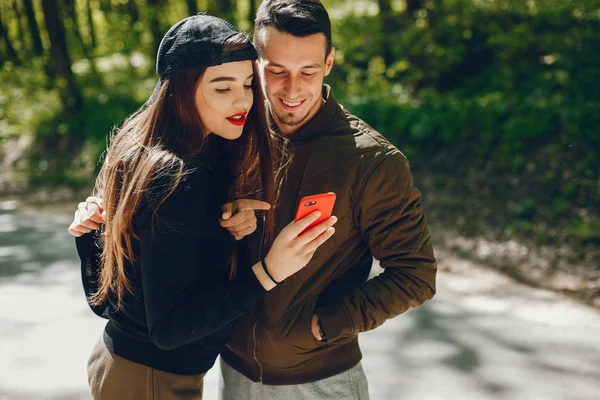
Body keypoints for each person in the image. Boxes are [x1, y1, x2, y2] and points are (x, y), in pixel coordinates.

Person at [69, 13, 337, 400]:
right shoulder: (175, 178)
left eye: (247, 84)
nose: (243, 100)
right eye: (222, 88)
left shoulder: (153, 153)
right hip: (151, 382)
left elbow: (108, 301)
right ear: (181, 91)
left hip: (124, 367)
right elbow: (169, 330)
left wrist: (220, 231)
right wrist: (269, 271)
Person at [215, 1, 437, 399]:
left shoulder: (371, 161)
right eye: (277, 71)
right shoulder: (232, 133)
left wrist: (327, 325)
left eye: (308, 71)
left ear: (330, 62)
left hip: (321, 382)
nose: (293, 89)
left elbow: (415, 274)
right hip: (233, 372)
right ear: (255, 63)